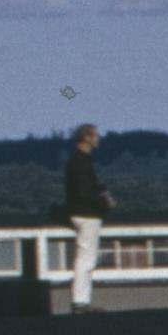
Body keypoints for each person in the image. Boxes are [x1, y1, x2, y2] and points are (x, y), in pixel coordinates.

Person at [56, 121, 108, 311]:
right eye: (96, 135)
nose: (99, 139)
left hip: (79, 212)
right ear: (86, 137)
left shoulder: (75, 159)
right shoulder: (82, 160)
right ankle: (80, 300)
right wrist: (104, 202)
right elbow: (84, 192)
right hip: (86, 214)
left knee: (85, 257)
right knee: (86, 258)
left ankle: (82, 300)